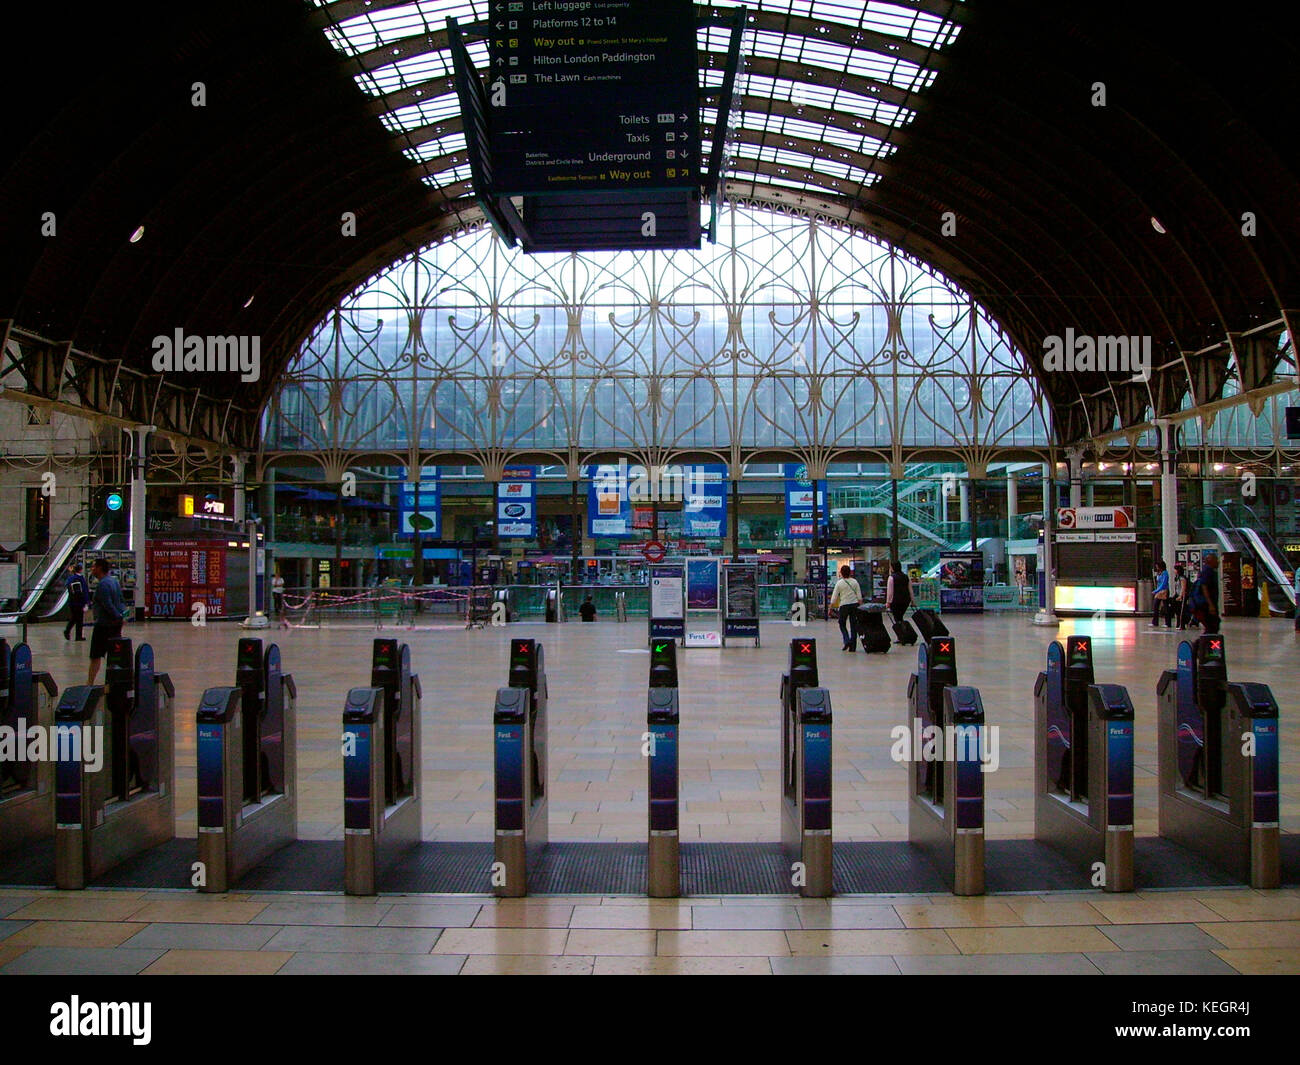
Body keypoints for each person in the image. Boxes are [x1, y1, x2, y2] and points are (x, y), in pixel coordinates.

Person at [87, 558, 128, 685]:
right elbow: (121, 601)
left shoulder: (103, 584)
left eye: (93, 567)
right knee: (114, 655)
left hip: (103, 626)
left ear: (99, 568)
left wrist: (117, 616)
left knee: (95, 656)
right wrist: (122, 616)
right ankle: (113, 681)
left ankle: (89, 683)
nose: (91, 569)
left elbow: (107, 604)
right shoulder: (114, 582)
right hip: (115, 626)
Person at [829, 564, 864, 652]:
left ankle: (846, 640)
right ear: (850, 573)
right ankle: (853, 647)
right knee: (853, 626)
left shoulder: (839, 583)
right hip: (854, 605)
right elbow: (859, 596)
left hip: (844, 605)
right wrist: (861, 607)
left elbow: (834, 597)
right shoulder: (855, 582)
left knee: (841, 623)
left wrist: (830, 608)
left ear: (841, 573)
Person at [1190, 553, 1221, 634]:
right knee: (1212, 627)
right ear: (1210, 561)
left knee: (1212, 627)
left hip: (1204, 604)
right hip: (1205, 605)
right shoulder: (1208, 570)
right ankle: (1200, 645)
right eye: (1216, 560)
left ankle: (1203, 644)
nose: (1218, 562)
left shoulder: (1206, 570)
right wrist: (1210, 604)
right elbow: (1204, 587)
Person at [63, 562, 89, 641]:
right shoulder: (81, 579)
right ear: (80, 570)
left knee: (74, 617)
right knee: (79, 619)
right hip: (79, 602)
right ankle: (78, 636)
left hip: (72, 602)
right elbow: (84, 591)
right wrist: (86, 602)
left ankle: (68, 631)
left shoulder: (70, 578)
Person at [885, 560, 911, 626]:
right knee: (900, 616)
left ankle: (901, 631)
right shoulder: (906, 577)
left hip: (896, 601)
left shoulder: (891, 577)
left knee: (897, 618)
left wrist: (888, 602)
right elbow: (910, 589)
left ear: (893, 567)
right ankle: (903, 629)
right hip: (906, 600)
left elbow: (890, 592)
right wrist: (912, 601)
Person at [1151, 561, 1169, 627]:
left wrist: (1156, 591)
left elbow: (1163, 584)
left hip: (1164, 591)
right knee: (1155, 606)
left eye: (1157, 566)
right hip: (1159, 591)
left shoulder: (1165, 573)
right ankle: (1155, 622)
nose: (1156, 567)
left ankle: (1167, 622)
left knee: (1166, 606)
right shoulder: (1159, 573)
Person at [1171, 563, 1188, 630]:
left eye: (1175, 569)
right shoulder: (1177, 578)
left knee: (1181, 611)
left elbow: (1183, 587)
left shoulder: (1182, 578)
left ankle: (1182, 625)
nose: (1174, 571)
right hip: (1177, 594)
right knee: (1177, 610)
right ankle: (1178, 624)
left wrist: (1181, 596)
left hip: (1182, 595)